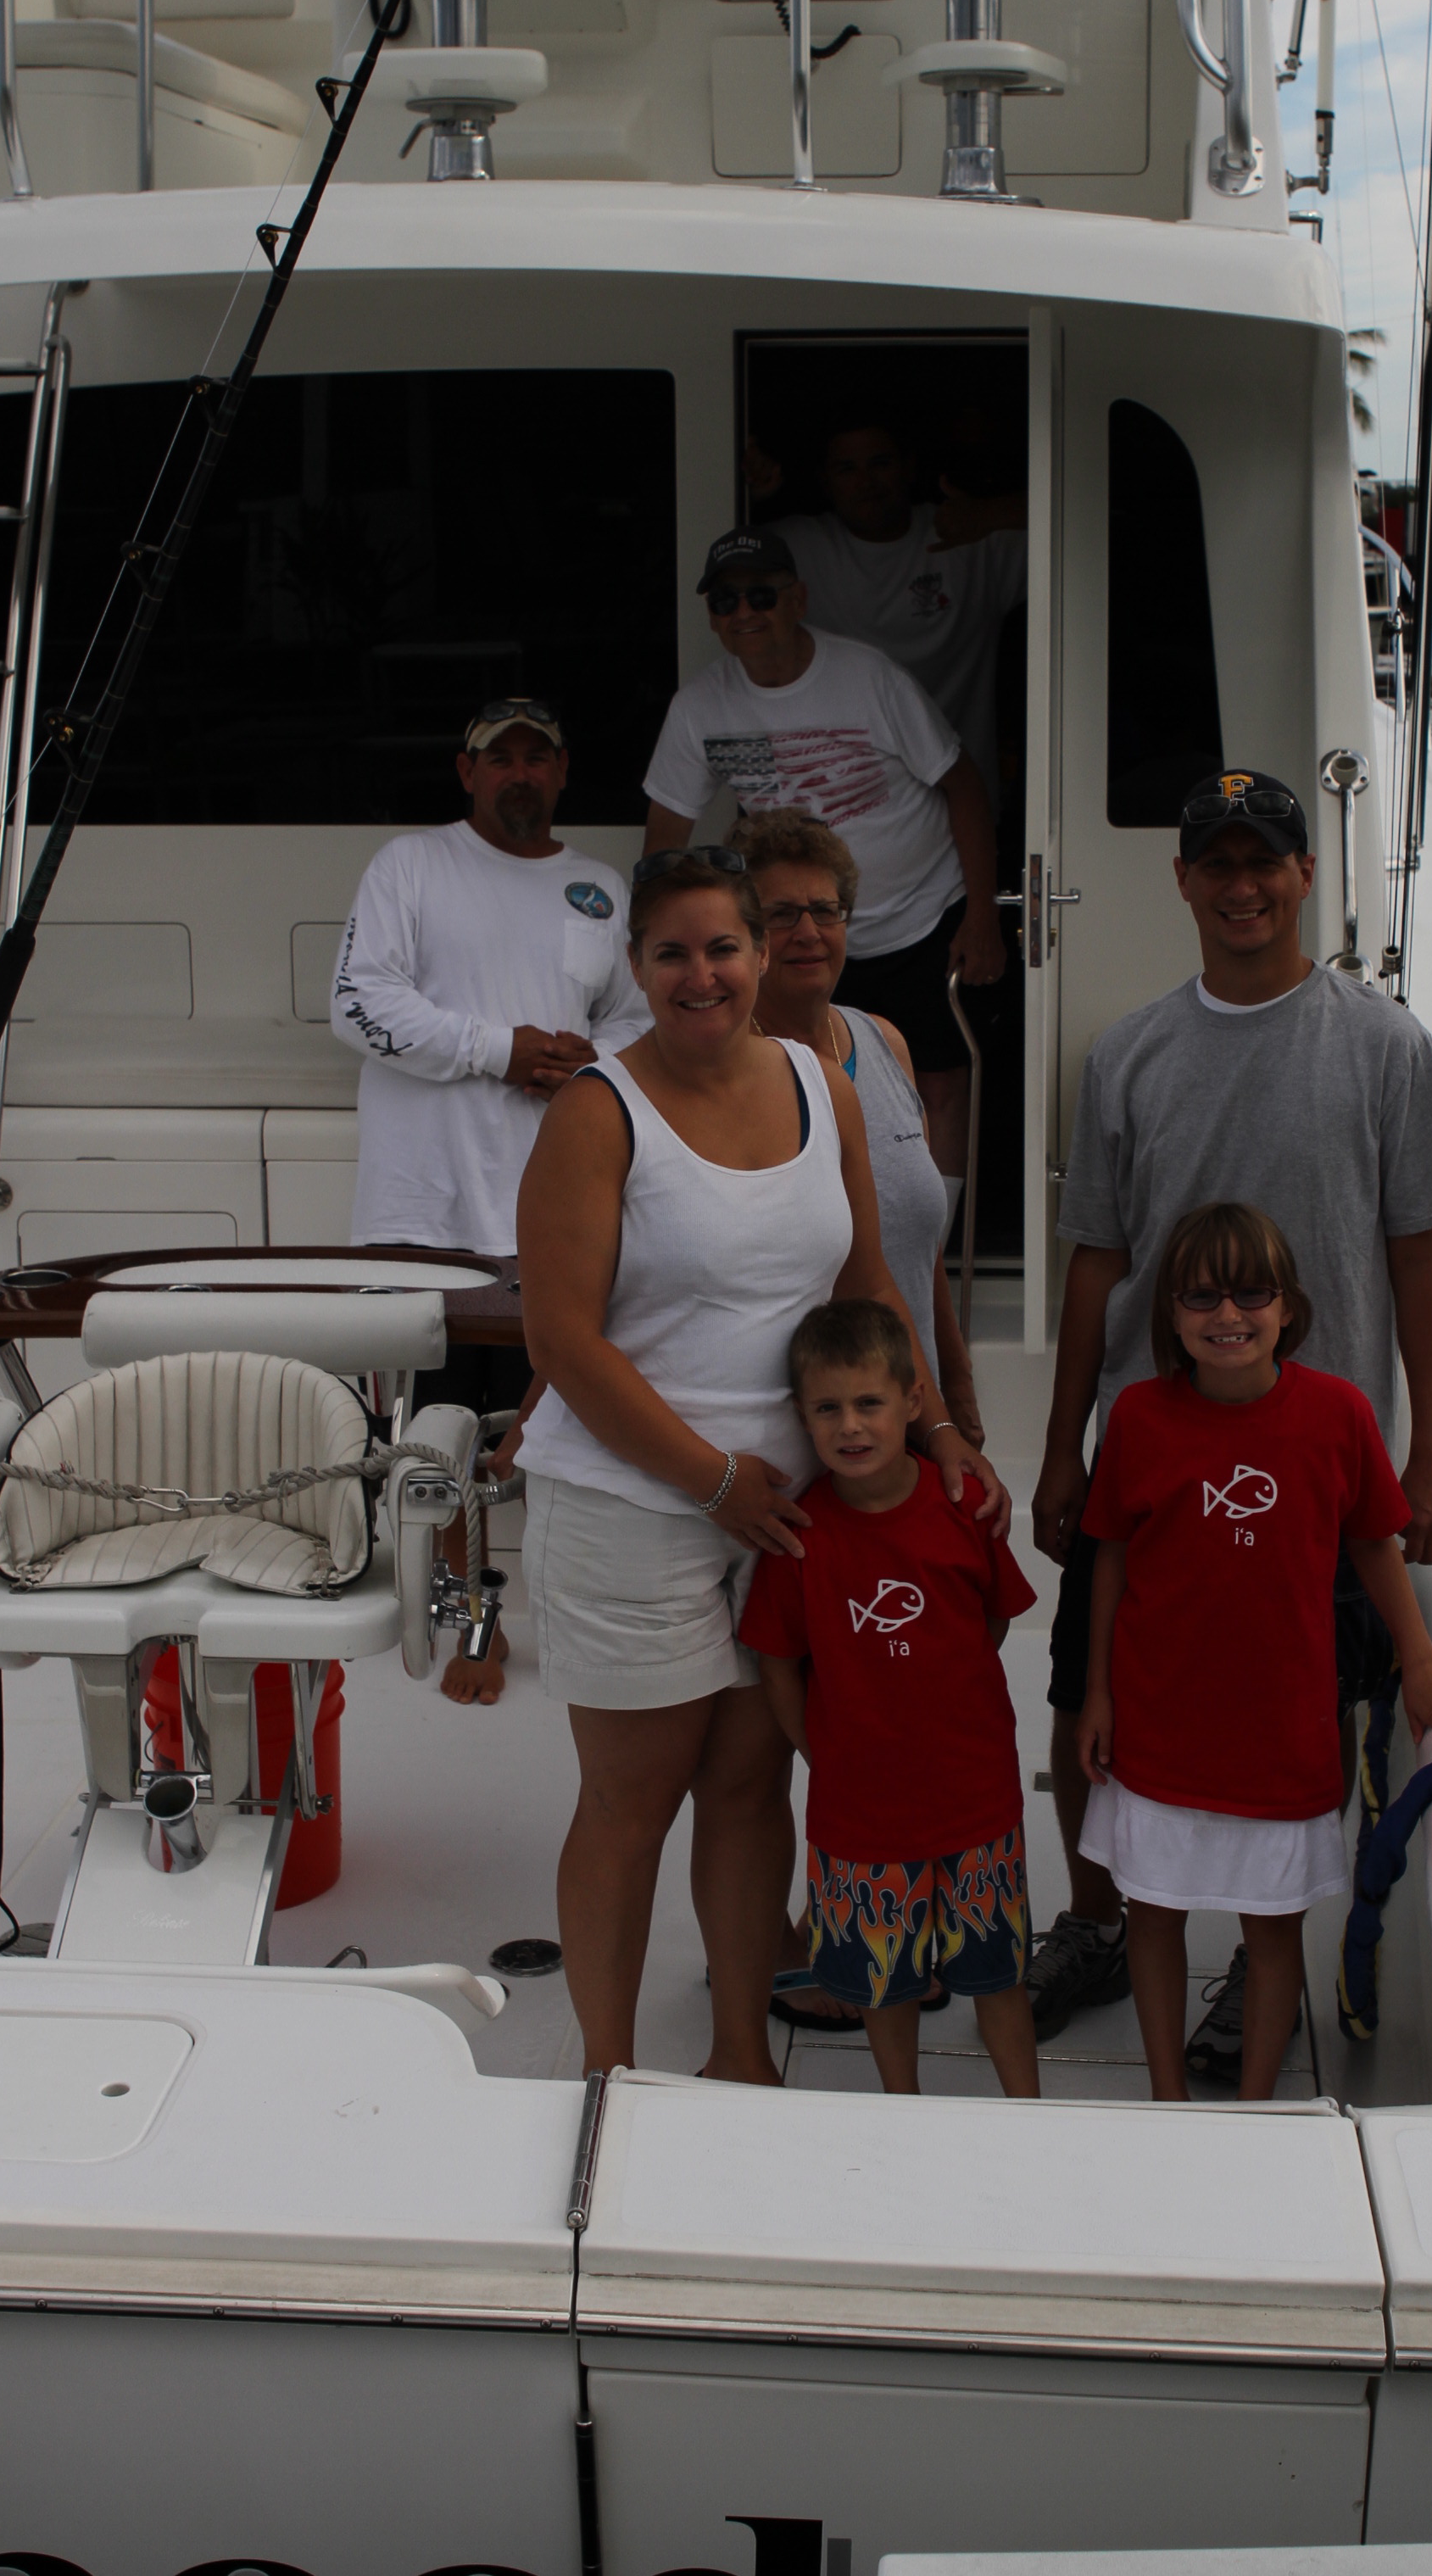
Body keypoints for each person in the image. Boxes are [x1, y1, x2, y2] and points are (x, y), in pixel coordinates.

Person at [516, 849, 1006, 2083]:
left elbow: (866, 1283)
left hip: (790, 1518)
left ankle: (741, 2056)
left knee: (749, 1791)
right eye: (672, 953)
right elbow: (561, 1341)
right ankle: (609, 2074)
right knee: (631, 1805)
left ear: (758, 954)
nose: (703, 975)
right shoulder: (597, 1112)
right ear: (637, 966)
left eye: (722, 947)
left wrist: (938, 1428)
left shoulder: (820, 1085)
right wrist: (710, 1480)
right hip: (635, 1506)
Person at [1029, 766, 1432, 2069]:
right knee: (1087, 1694)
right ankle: (1099, 1918)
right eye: (1215, 863)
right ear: (1181, 880)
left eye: (1264, 861)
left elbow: (1421, 1254)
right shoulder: (1128, 1052)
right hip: (1150, 1453)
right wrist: (1062, 1448)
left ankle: (1255, 1955)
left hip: (1315, 1466)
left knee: (1299, 1708)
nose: (1241, 886)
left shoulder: (1388, 1045)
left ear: (1306, 875)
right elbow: (1098, 1263)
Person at [1076, 1203, 1432, 2102]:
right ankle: (1167, 2099)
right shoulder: (1139, 1417)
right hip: (1158, 1725)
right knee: (1154, 1914)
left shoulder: (1339, 1414)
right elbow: (1110, 1554)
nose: (1228, 1315)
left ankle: (1255, 2105)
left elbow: (1375, 1542)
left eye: (1251, 1293)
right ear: (1171, 1315)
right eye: (1200, 1297)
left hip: (1283, 1733)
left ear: (1289, 1307)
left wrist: (1421, 1664)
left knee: (1272, 1934)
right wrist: (1098, 1693)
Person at [332, 695, 648, 1703]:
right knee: (439, 1435)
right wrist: (499, 1049)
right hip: (423, 1217)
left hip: (552, 1215)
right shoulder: (410, 866)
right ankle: (475, 1617)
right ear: (465, 772)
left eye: (537, 756)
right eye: (498, 757)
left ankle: (569, 1609)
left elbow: (635, 1018)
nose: (520, 771)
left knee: (555, 1428)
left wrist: (590, 1062)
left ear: (564, 771)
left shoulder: (600, 888)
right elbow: (358, 1003)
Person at [642, 527, 1006, 1207]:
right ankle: (822, 1227)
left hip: (921, 916)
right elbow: (665, 840)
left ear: (798, 599)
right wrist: (667, 946)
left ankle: (930, 1235)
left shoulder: (869, 676)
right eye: (725, 601)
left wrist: (982, 914)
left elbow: (963, 783)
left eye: (761, 595)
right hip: (794, 934)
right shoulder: (700, 707)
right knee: (796, 1077)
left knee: (936, 1081)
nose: (744, 612)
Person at [745, 1298, 1040, 2099]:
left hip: (977, 1804)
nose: (850, 1425)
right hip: (860, 1820)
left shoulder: (964, 1509)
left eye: (869, 1402)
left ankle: (1029, 2110)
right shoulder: (799, 1537)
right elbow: (779, 1665)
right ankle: (899, 2108)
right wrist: (821, 1752)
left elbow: (990, 1620)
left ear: (913, 1402)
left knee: (999, 1977)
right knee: (883, 1985)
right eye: (827, 1408)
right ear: (801, 1415)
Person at [733, 808, 982, 1447]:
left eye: (826, 910)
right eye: (781, 914)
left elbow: (920, 1248)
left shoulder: (884, 1042)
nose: (808, 932)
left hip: (910, 1417)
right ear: (746, 934)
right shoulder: (728, 1072)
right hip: (806, 1439)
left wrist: (955, 1387)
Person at [746, 414, 1028, 797]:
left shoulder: (969, 538)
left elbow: (1088, 512)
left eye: (880, 463)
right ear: (824, 481)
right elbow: (707, 554)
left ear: (909, 468)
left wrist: (993, 512)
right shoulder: (798, 548)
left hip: (959, 805)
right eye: (847, 469)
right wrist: (751, 493)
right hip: (843, 809)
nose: (866, 482)